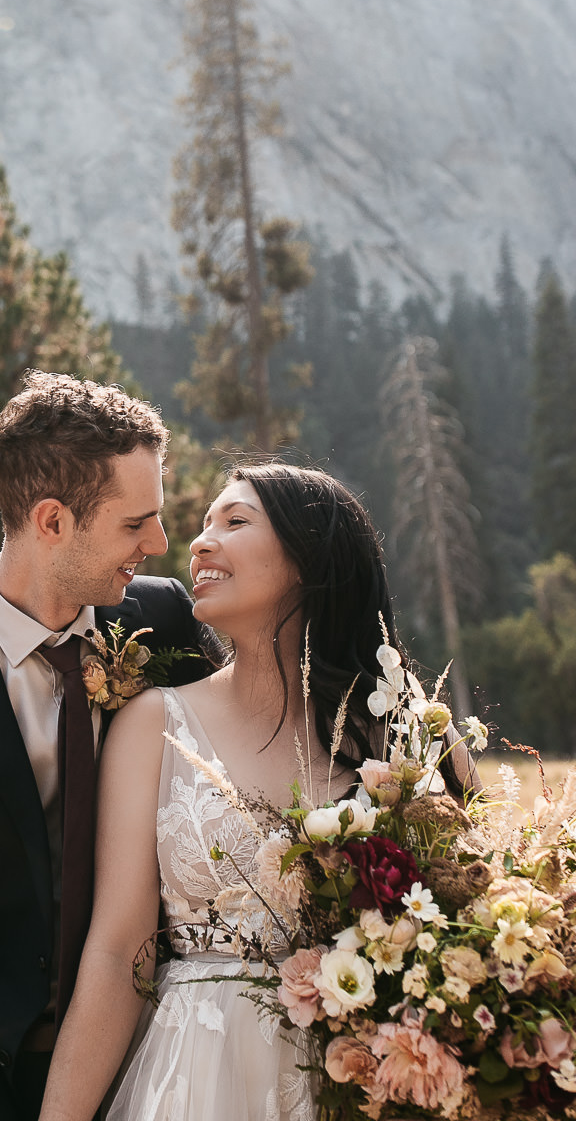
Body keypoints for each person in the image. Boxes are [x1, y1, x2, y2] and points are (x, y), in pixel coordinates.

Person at [38, 461, 463, 1121]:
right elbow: (119, 950)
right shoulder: (155, 724)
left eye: (235, 522)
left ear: (309, 556)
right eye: (204, 524)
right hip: (195, 1077)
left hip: (361, 1080)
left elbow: (464, 928)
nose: (201, 541)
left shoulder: (403, 733)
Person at [0, 372, 217, 1121]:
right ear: (51, 521)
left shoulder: (167, 623)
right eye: (134, 524)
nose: (158, 544)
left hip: (172, 1057)